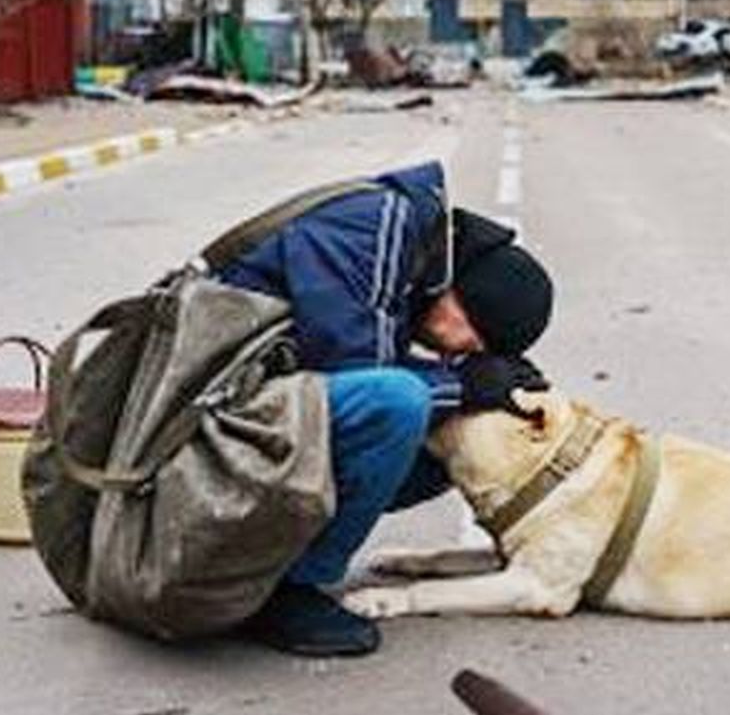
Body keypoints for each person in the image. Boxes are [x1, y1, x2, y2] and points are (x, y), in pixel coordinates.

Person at [213, 161, 554, 656]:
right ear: (463, 296)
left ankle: (271, 556)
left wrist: (470, 391)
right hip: (205, 420)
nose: (459, 353)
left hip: (249, 410)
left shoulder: (410, 255)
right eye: (472, 340)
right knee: (401, 402)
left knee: (449, 430)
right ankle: (291, 592)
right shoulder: (381, 225)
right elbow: (356, 374)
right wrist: (463, 384)